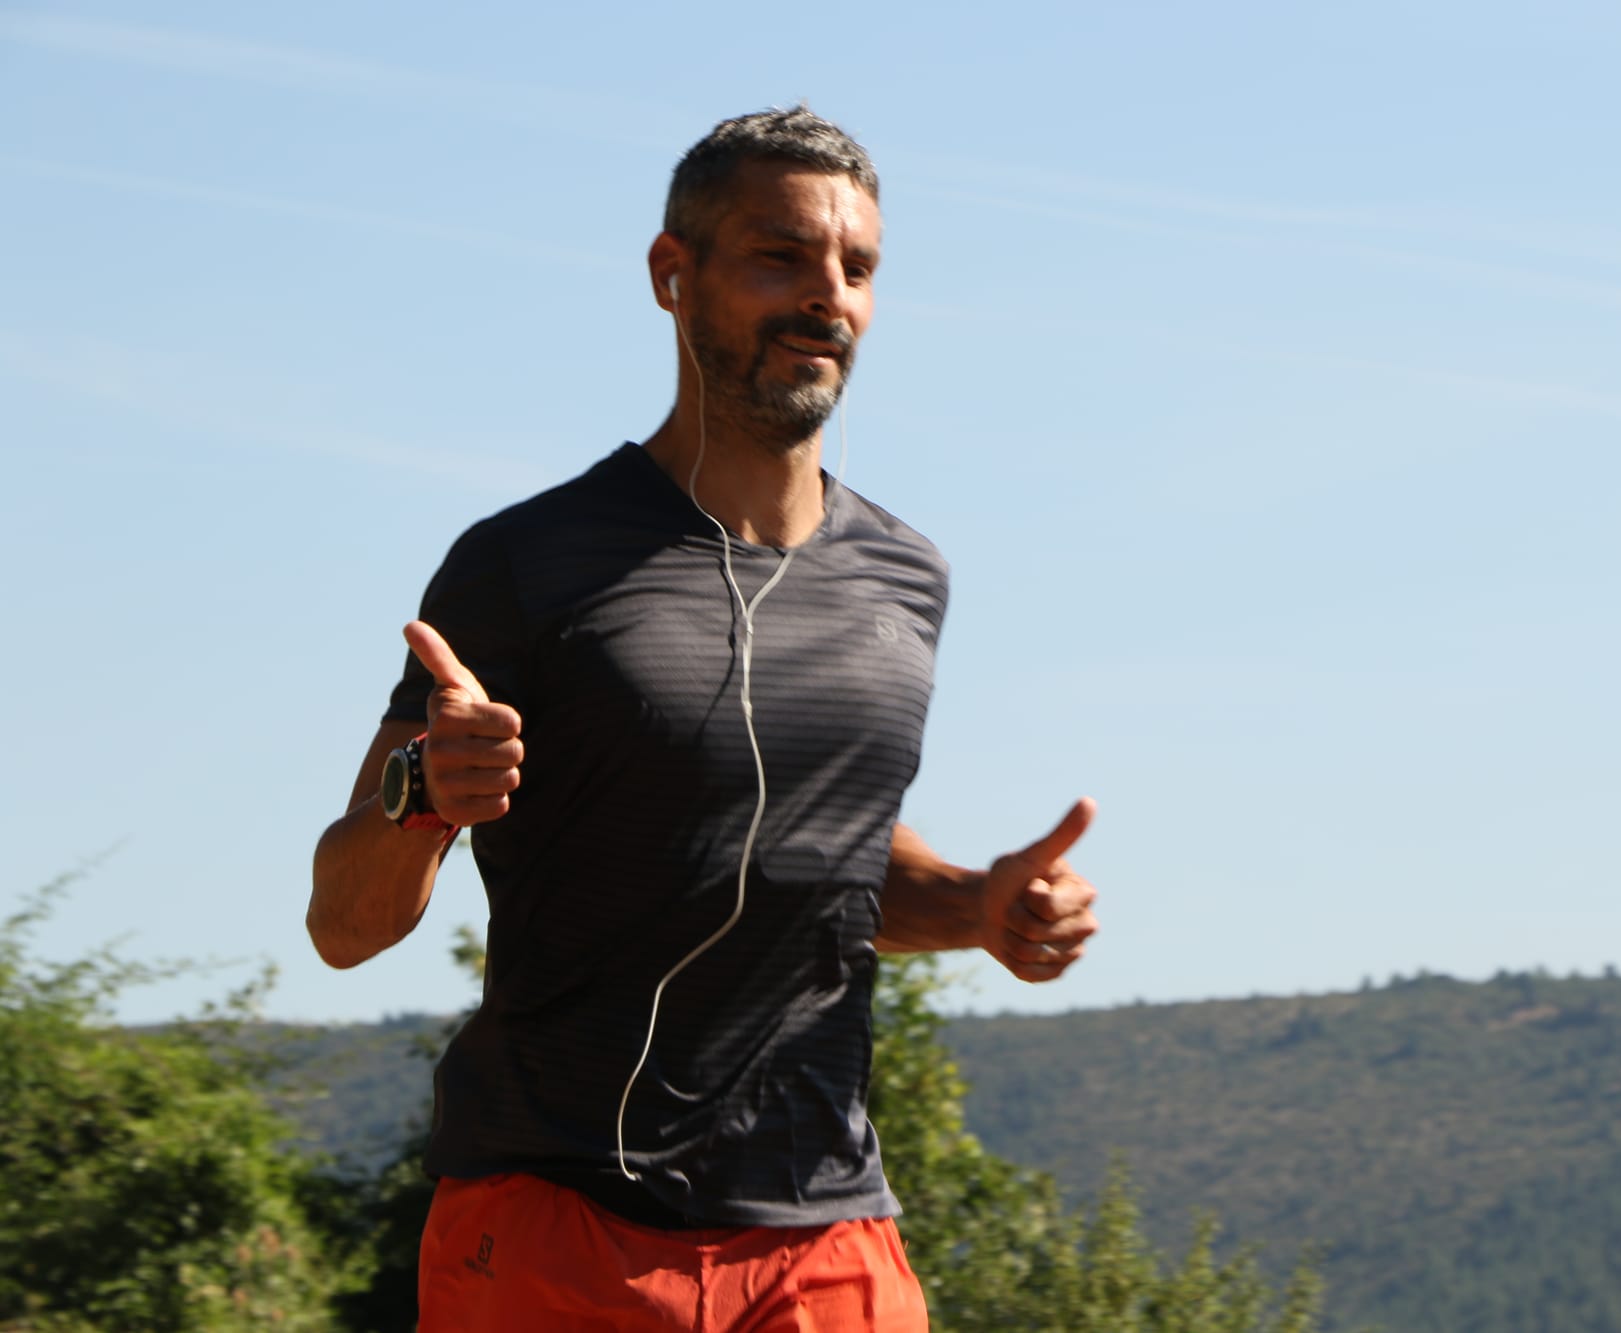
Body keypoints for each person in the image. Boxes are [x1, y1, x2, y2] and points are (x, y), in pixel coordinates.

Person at [307, 106, 1099, 1332]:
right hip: (558, 1226)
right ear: (671, 276)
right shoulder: (528, 563)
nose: (825, 296)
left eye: (856, 266)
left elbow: (817, 862)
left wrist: (980, 906)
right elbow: (342, 924)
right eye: (778, 256)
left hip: (825, 1238)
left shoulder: (905, 577)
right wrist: (424, 793)